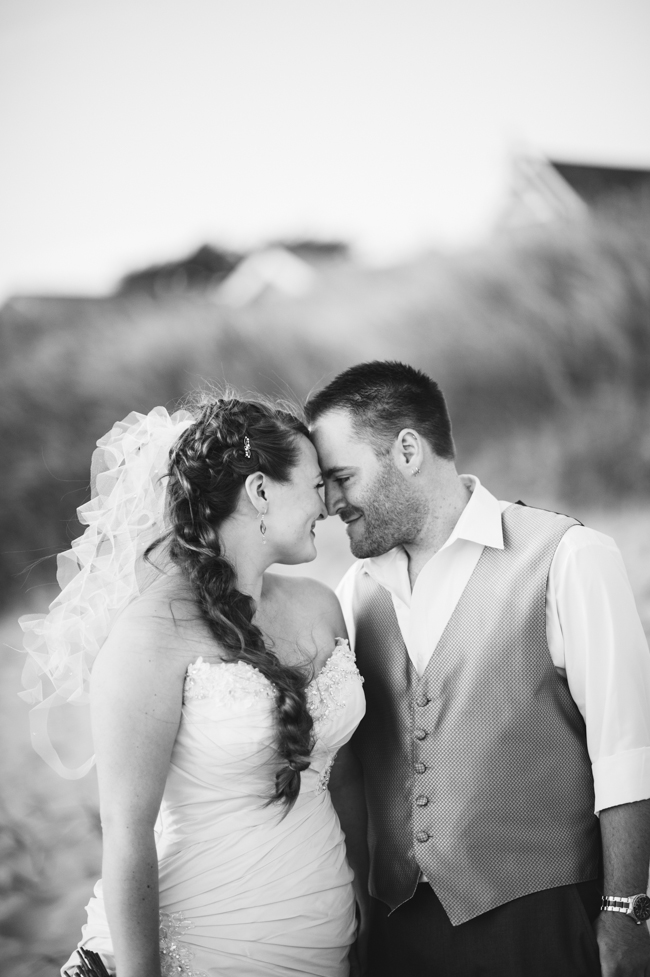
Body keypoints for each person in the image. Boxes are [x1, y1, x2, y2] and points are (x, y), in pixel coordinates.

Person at [305, 360, 650, 977]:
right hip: (396, 930)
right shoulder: (355, 590)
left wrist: (627, 913)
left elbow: (628, 754)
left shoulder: (569, 557)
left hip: (542, 920)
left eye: (341, 477)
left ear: (407, 449)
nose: (331, 503)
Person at [20, 396, 366, 977]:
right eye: (315, 484)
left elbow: (346, 783)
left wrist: (370, 924)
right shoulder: (150, 637)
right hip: (204, 944)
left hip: (326, 938)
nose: (329, 504)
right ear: (260, 491)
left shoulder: (321, 606)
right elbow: (126, 836)